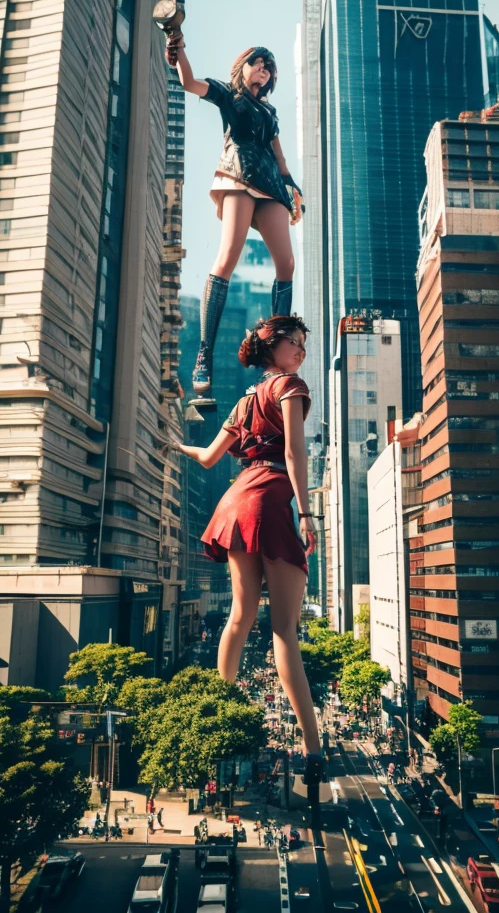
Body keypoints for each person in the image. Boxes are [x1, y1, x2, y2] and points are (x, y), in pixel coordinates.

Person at [174, 315, 324, 785]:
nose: (300, 349)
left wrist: (173, 443)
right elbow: (296, 453)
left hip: (238, 500)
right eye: (292, 342)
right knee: (284, 631)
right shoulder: (290, 387)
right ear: (271, 349)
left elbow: (208, 457)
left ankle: (221, 708)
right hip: (274, 498)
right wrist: (306, 512)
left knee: (240, 617)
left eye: (303, 343)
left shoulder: (243, 402)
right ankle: (314, 747)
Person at [166, 31, 303, 397]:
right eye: (257, 63)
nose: (263, 70)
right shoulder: (229, 95)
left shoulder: (271, 113)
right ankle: (204, 355)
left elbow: (281, 159)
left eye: (268, 68)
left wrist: (294, 189)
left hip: (271, 185)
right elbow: (190, 82)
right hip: (237, 175)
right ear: (242, 67)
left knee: (286, 264)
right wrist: (178, 51)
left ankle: (276, 358)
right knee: (227, 258)